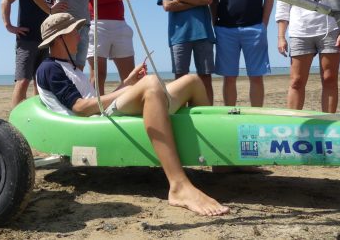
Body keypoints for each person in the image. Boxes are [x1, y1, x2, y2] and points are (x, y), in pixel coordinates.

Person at [35, 13, 229, 216]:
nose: (79, 36)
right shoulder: (50, 69)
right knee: (151, 83)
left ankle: (218, 162)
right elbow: (81, 108)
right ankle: (178, 186)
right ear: (59, 38)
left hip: (99, 113)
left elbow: (98, 102)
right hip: (91, 123)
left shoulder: (70, 67)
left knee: (193, 81)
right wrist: (128, 91)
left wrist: (128, 82)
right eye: (74, 32)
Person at [276, 0, 340, 113]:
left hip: (330, 30)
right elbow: (282, 8)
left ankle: (327, 121)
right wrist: (281, 37)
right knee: (296, 81)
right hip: (299, 33)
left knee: (329, 79)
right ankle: (293, 122)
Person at [157, 0, 215, 104]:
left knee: (205, 76)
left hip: (203, 33)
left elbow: (208, 0)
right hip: (179, 35)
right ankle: (181, 111)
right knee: (180, 77)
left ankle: (206, 112)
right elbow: (167, 5)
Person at [211, 0, 273, 107]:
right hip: (225, 29)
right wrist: (214, 23)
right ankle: (231, 114)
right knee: (229, 77)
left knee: (256, 77)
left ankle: (257, 114)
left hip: (254, 28)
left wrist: (264, 24)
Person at [1, 0, 56, 106]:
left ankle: (36, 116)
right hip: (27, 39)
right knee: (23, 80)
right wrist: (9, 26)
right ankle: (14, 122)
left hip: (46, 40)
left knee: (40, 82)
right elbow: (6, 1)